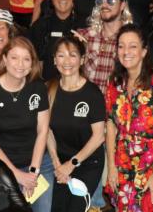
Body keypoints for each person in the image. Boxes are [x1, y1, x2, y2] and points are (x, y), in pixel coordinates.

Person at [0, 37, 52, 212]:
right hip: (2, 165)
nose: (20, 64)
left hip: (38, 162)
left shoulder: (38, 87)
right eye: (14, 57)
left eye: (26, 59)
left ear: (32, 62)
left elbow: (42, 131)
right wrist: (16, 174)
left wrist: (33, 172)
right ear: (4, 59)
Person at [105, 24, 153, 211]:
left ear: (144, 51)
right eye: (121, 46)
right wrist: (111, 166)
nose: (126, 51)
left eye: (132, 46)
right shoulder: (115, 83)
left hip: (150, 166)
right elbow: (111, 124)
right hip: (121, 164)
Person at [46, 36, 105, 212]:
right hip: (60, 162)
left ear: (82, 60)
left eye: (72, 55)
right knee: (56, 207)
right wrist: (57, 163)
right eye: (61, 55)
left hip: (87, 163)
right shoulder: (49, 89)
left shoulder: (92, 93)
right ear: (54, 60)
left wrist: (71, 164)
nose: (67, 61)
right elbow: (46, 130)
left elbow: (98, 137)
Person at [79, 0, 134, 93]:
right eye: (100, 2)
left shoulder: (130, 41)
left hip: (117, 107)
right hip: (86, 105)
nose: (104, 5)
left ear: (122, 5)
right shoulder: (84, 36)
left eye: (110, 1)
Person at [28, 0, 83, 80]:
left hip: (76, 87)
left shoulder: (83, 26)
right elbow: (32, 62)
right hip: (47, 88)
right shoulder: (40, 26)